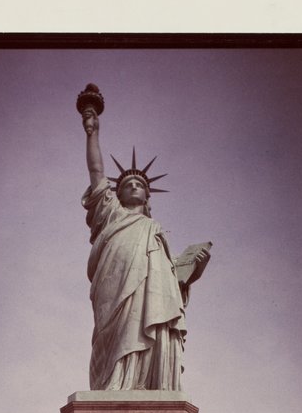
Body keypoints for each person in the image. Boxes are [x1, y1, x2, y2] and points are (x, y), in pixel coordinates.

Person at [80, 90, 211, 391]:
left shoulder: (155, 230)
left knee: (151, 324)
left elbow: (172, 282)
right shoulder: (110, 214)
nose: (134, 187)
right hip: (114, 286)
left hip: (150, 293)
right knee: (114, 335)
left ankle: (146, 385)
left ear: (148, 196)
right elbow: (97, 172)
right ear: (119, 193)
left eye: (139, 184)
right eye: (128, 184)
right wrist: (92, 133)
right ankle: (116, 385)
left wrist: (192, 272)